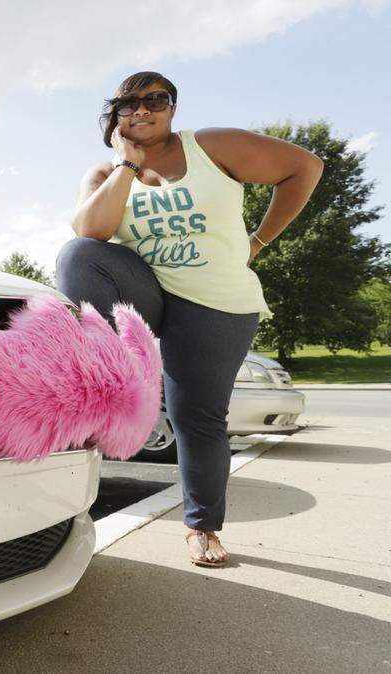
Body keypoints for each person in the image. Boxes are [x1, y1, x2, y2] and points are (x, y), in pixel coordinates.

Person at [56, 71, 323, 567]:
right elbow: (91, 232)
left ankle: (203, 528)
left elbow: (305, 167)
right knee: (78, 255)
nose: (142, 109)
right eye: (128, 103)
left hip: (217, 305)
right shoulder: (105, 174)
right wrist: (125, 166)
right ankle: (106, 379)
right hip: (153, 296)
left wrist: (258, 242)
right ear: (114, 116)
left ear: (173, 108)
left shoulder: (211, 147)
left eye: (155, 99)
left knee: (195, 416)